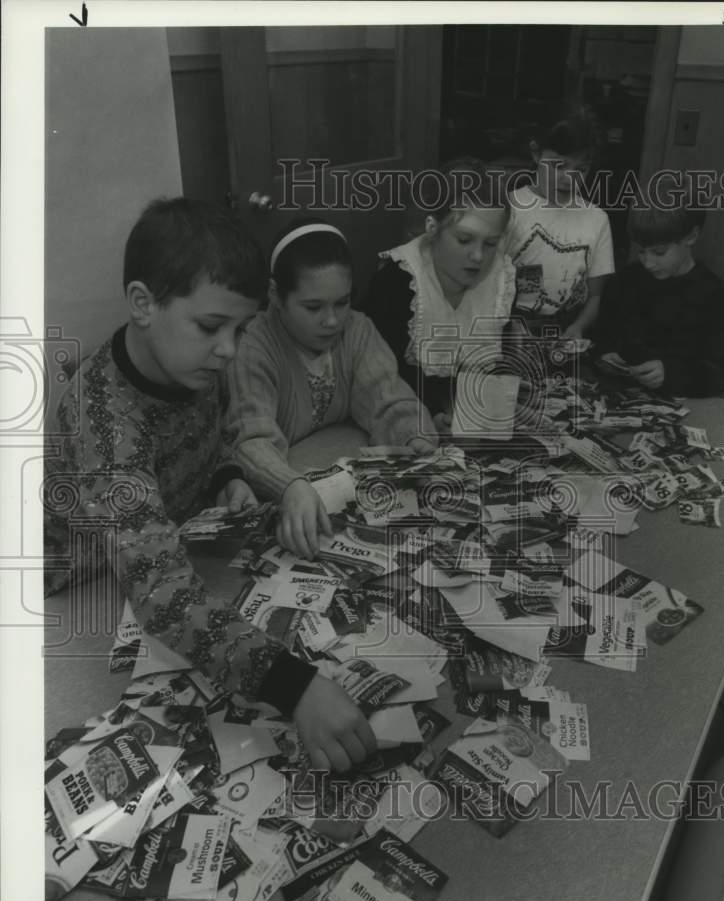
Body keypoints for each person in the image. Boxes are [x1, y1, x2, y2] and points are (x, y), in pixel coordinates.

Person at [43, 197, 377, 774]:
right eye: (211, 326)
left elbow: (219, 432)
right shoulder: (101, 425)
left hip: (166, 534)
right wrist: (295, 688)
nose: (229, 349)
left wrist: (224, 475)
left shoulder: (192, 360)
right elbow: (163, 599)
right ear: (143, 304)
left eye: (241, 327)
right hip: (72, 578)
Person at [225, 219, 437, 560]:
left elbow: (388, 399)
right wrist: (290, 486)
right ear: (275, 295)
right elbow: (252, 439)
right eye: (313, 307)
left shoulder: (357, 330)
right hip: (296, 493)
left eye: (342, 303)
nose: (332, 321)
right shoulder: (253, 347)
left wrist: (414, 439)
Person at [362, 157, 516, 421]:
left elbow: (499, 367)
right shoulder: (397, 283)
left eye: (490, 244)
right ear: (433, 229)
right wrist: (430, 414)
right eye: (464, 240)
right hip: (404, 410)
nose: (478, 256)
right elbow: (381, 375)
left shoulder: (501, 283)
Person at [594, 199, 724, 396]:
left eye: (659, 252)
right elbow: (601, 334)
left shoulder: (716, 297)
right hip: (616, 400)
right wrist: (604, 354)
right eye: (642, 251)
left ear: (691, 237)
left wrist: (671, 375)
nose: (648, 262)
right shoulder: (627, 279)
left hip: (683, 404)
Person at [504, 113, 615, 339]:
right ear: (536, 153)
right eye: (559, 165)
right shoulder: (508, 208)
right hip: (510, 331)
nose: (569, 178)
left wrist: (580, 327)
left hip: (566, 333)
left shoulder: (597, 219)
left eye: (581, 169)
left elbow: (595, 297)